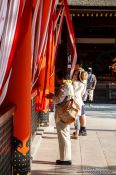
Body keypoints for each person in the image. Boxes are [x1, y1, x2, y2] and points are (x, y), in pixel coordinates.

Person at [46, 70, 74, 165]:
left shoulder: (64, 87)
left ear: (62, 78)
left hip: (62, 114)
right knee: (65, 135)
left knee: (63, 136)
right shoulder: (70, 85)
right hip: (66, 113)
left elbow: (58, 100)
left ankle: (65, 159)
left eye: (57, 79)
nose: (57, 81)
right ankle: (65, 158)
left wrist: (51, 97)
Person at [71, 69, 88, 139]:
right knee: (77, 117)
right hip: (80, 101)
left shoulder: (73, 83)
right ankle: (77, 132)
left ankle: (77, 134)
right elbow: (82, 94)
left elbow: (71, 92)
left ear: (78, 76)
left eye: (75, 74)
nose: (74, 75)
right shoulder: (83, 84)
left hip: (74, 101)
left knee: (76, 118)